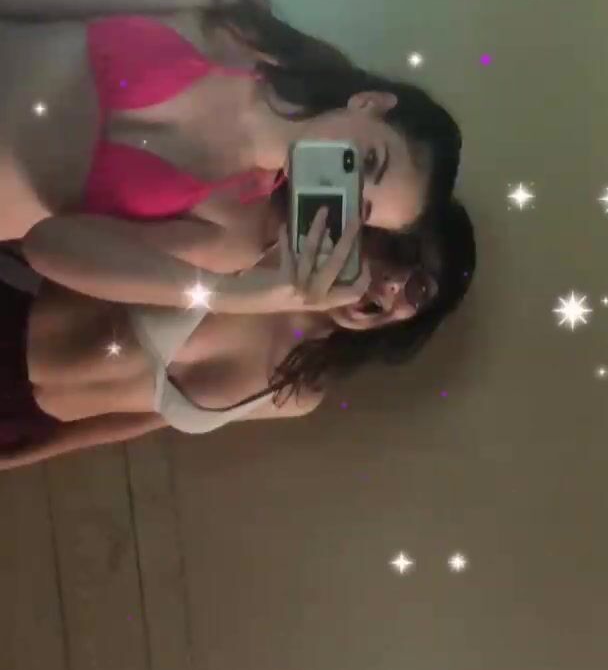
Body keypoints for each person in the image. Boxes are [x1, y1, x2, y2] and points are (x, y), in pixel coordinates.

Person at [0, 0, 464, 304]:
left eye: (359, 206)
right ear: (370, 103)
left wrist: (252, 296)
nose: (341, 180)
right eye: (367, 160)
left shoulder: (236, 236)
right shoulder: (232, 5)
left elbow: (47, 245)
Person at [0, 199, 475, 471]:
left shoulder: (301, 389)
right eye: (397, 249)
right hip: (17, 311)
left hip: (23, 420)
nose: (392, 283)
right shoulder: (258, 241)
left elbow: (142, 419)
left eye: (418, 288)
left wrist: (28, 453)